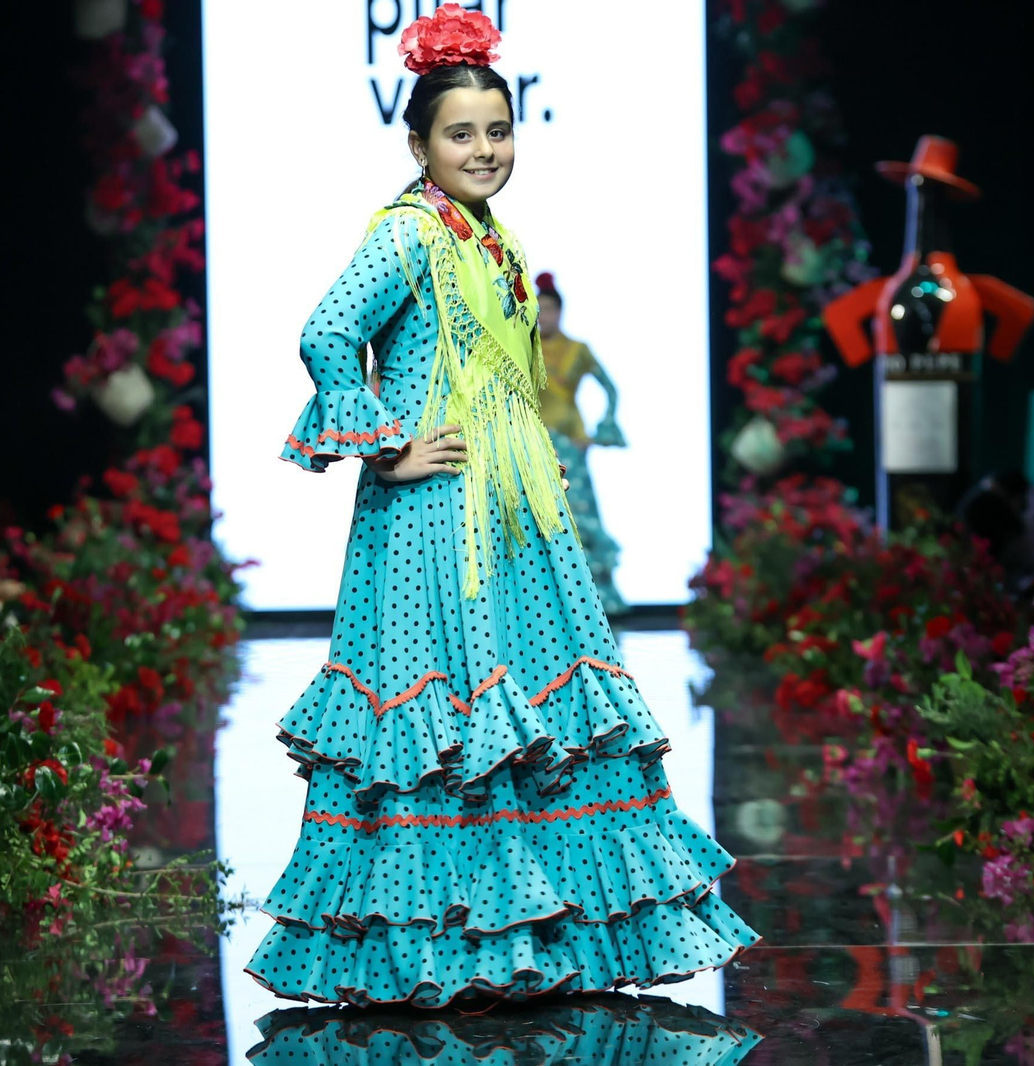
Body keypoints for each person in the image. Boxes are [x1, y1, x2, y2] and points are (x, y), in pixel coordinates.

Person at [246, 8, 758, 1009]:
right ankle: (434, 944)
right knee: (444, 717)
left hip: (510, 512)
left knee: (523, 716)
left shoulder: (490, 235)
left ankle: (530, 936)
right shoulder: (406, 232)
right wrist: (385, 443)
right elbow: (325, 331)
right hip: (433, 515)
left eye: (497, 130)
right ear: (418, 143)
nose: (483, 149)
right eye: (460, 133)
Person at [534, 271, 626, 614]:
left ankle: (597, 605)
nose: (546, 316)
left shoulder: (578, 350)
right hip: (536, 443)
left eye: (551, 310)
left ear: (561, 312)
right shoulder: (524, 350)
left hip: (571, 441)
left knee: (580, 514)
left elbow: (611, 389)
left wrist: (603, 430)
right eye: (539, 310)